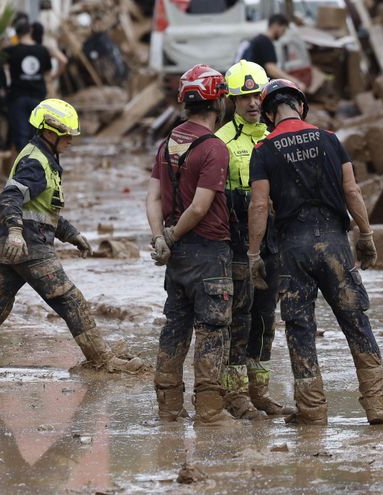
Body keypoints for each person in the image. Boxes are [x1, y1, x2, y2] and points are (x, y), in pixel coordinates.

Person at [0, 99, 143, 376]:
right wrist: (15, 232)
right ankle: (102, 360)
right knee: (71, 300)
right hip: (30, 247)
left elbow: (43, 211)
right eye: (67, 135)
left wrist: (72, 235)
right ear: (50, 131)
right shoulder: (35, 162)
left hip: (17, 247)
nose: (71, 140)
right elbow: (9, 198)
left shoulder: (45, 159)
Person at [247, 79, 383, 425]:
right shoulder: (330, 140)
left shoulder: (264, 149)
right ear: (300, 106)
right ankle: (378, 407)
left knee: (299, 326)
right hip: (334, 243)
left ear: (269, 113)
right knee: (355, 319)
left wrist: (254, 254)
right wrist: (367, 235)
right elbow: (352, 190)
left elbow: (258, 206)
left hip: (292, 248)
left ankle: (312, 412)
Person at [146, 64, 235, 426]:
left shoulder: (167, 143)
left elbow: (152, 198)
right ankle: (211, 412)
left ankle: (168, 410)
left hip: (176, 256)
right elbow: (200, 207)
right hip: (208, 251)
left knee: (175, 327)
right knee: (212, 330)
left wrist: (160, 238)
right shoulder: (214, 148)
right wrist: (174, 235)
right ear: (219, 103)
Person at [214, 60, 294, 419]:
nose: (251, 103)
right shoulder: (220, 142)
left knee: (265, 315)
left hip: (273, 239)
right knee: (239, 317)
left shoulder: (276, 136)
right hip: (236, 242)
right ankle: (234, 395)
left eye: (256, 96)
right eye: (243, 97)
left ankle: (259, 391)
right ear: (231, 100)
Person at [4, 20, 52, 151]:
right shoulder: (42, 51)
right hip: (38, 97)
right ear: (30, 31)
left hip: (17, 97)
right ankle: (35, 165)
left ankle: (25, 166)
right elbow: (48, 74)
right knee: (37, 135)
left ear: (17, 33)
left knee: (21, 137)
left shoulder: (11, 51)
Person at [237, 14, 307, 91]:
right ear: (275, 25)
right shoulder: (265, 42)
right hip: (256, 87)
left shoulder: (257, 39)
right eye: (283, 30)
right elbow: (271, 69)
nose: (283, 34)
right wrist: (295, 82)